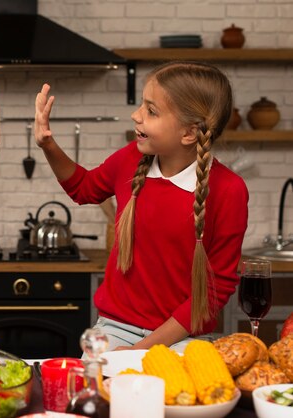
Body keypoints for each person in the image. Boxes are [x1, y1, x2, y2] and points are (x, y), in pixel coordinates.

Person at [34, 61, 248, 352]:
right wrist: (48, 145)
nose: (136, 116)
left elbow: (216, 288)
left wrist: (141, 351)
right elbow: (83, 188)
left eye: (151, 111)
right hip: (114, 328)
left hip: (183, 338)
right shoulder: (130, 159)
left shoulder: (229, 191)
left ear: (189, 133)